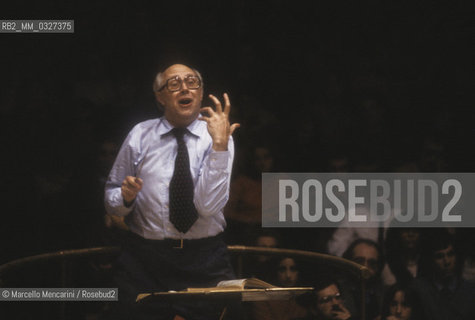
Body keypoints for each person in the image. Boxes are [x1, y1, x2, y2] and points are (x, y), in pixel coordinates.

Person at [104, 63, 240, 320]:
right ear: (160, 96)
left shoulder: (220, 137)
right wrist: (125, 198)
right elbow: (111, 200)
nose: (185, 88)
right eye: (174, 84)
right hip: (146, 260)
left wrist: (220, 145)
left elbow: (208, 207)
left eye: (192, 82)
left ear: (200, 93)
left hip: (205, 259)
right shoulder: (140, 134)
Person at [411, 229, 475, 320]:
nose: (447, 262)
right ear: (430, 261)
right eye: (439, 257)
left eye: (450, 254)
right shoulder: (420, 290)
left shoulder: (470, 291)